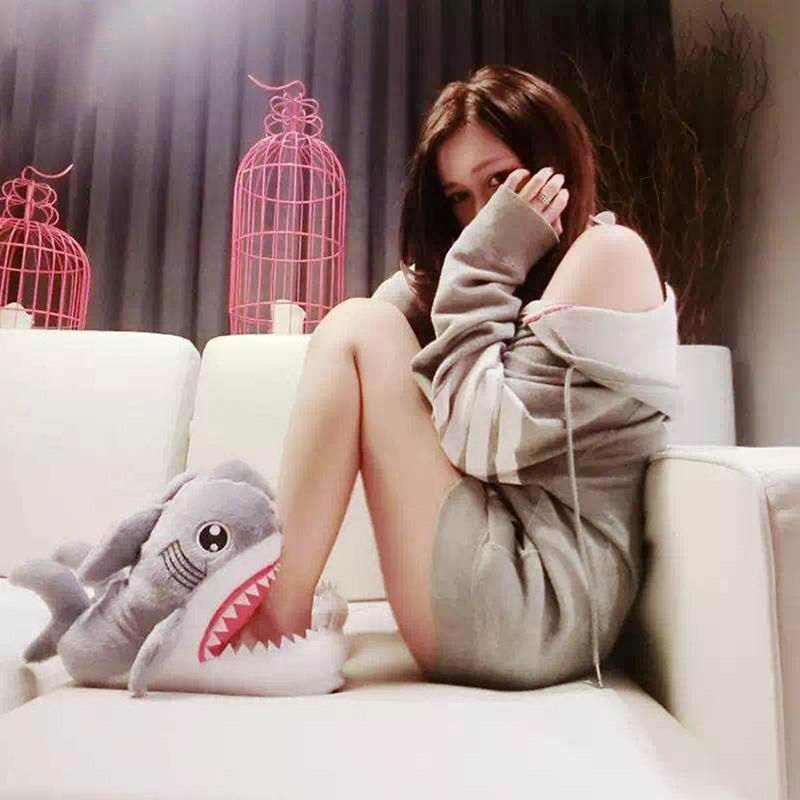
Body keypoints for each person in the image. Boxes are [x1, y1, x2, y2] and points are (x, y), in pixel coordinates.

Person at [235, 64, 681, 691]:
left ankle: (276, 625)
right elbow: (358, 371)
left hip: (540, 609)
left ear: (555, 166)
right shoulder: (499, 282)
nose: (481, 216)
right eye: (457, 197)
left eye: (499, 181)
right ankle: (268, 606)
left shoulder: (610, 254)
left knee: (360, 326)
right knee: (360, 324)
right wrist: (434, 284)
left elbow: (483, 444)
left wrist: (480, 263)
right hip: (498, 582)